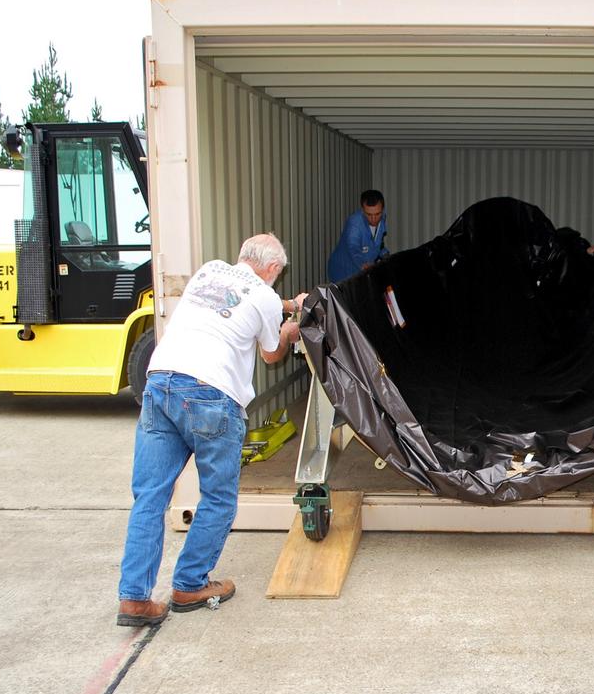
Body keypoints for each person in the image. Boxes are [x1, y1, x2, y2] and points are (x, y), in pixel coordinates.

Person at [116, 233, 307, 626]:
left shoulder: (209, 272)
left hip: (161, 381)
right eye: (278, 275)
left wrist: (286, 303)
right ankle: (189, 584)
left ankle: (134, 598)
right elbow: (271, 354)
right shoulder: (267, 298)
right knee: (219, 498)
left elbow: (237, 300)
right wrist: (290, 328)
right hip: (210, 394)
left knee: (150, 496)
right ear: (273, 270)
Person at [327, 189, 389, 282]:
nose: (373, 219)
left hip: (362, 273)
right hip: (342, 272)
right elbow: (353, 247)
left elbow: (376, 242)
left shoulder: (382, 218)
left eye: (377, 214)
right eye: (369, 214)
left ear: (382, 210)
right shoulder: (354, 224)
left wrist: (384, 254)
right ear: (362, 210)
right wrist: (364, 264)